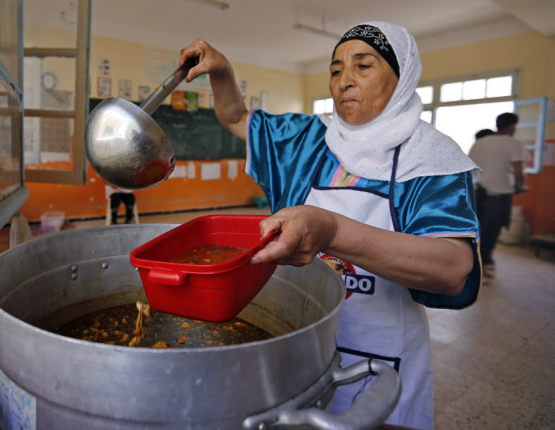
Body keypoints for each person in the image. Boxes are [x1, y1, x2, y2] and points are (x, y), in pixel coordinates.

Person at [179, 22, 482, 430]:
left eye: (363, 66)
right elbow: (235, 115)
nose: (345, 81)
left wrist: (333, 232)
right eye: (336, 69)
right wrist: (222, 72)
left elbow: (451, 269)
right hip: (298, 340)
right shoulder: (306, 139)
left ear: (402, 75)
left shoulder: (432, 158)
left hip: (381, 359)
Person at [468, 113, 527, 278]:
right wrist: (520, 186)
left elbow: (470, 168)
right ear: (512, 126)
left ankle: (470, 262)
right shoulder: (513, 143)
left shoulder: (479, 143)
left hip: (476, 192)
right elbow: (517, 170)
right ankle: (484, 263)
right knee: (491, 230)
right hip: (498, 194)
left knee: (475, 229)